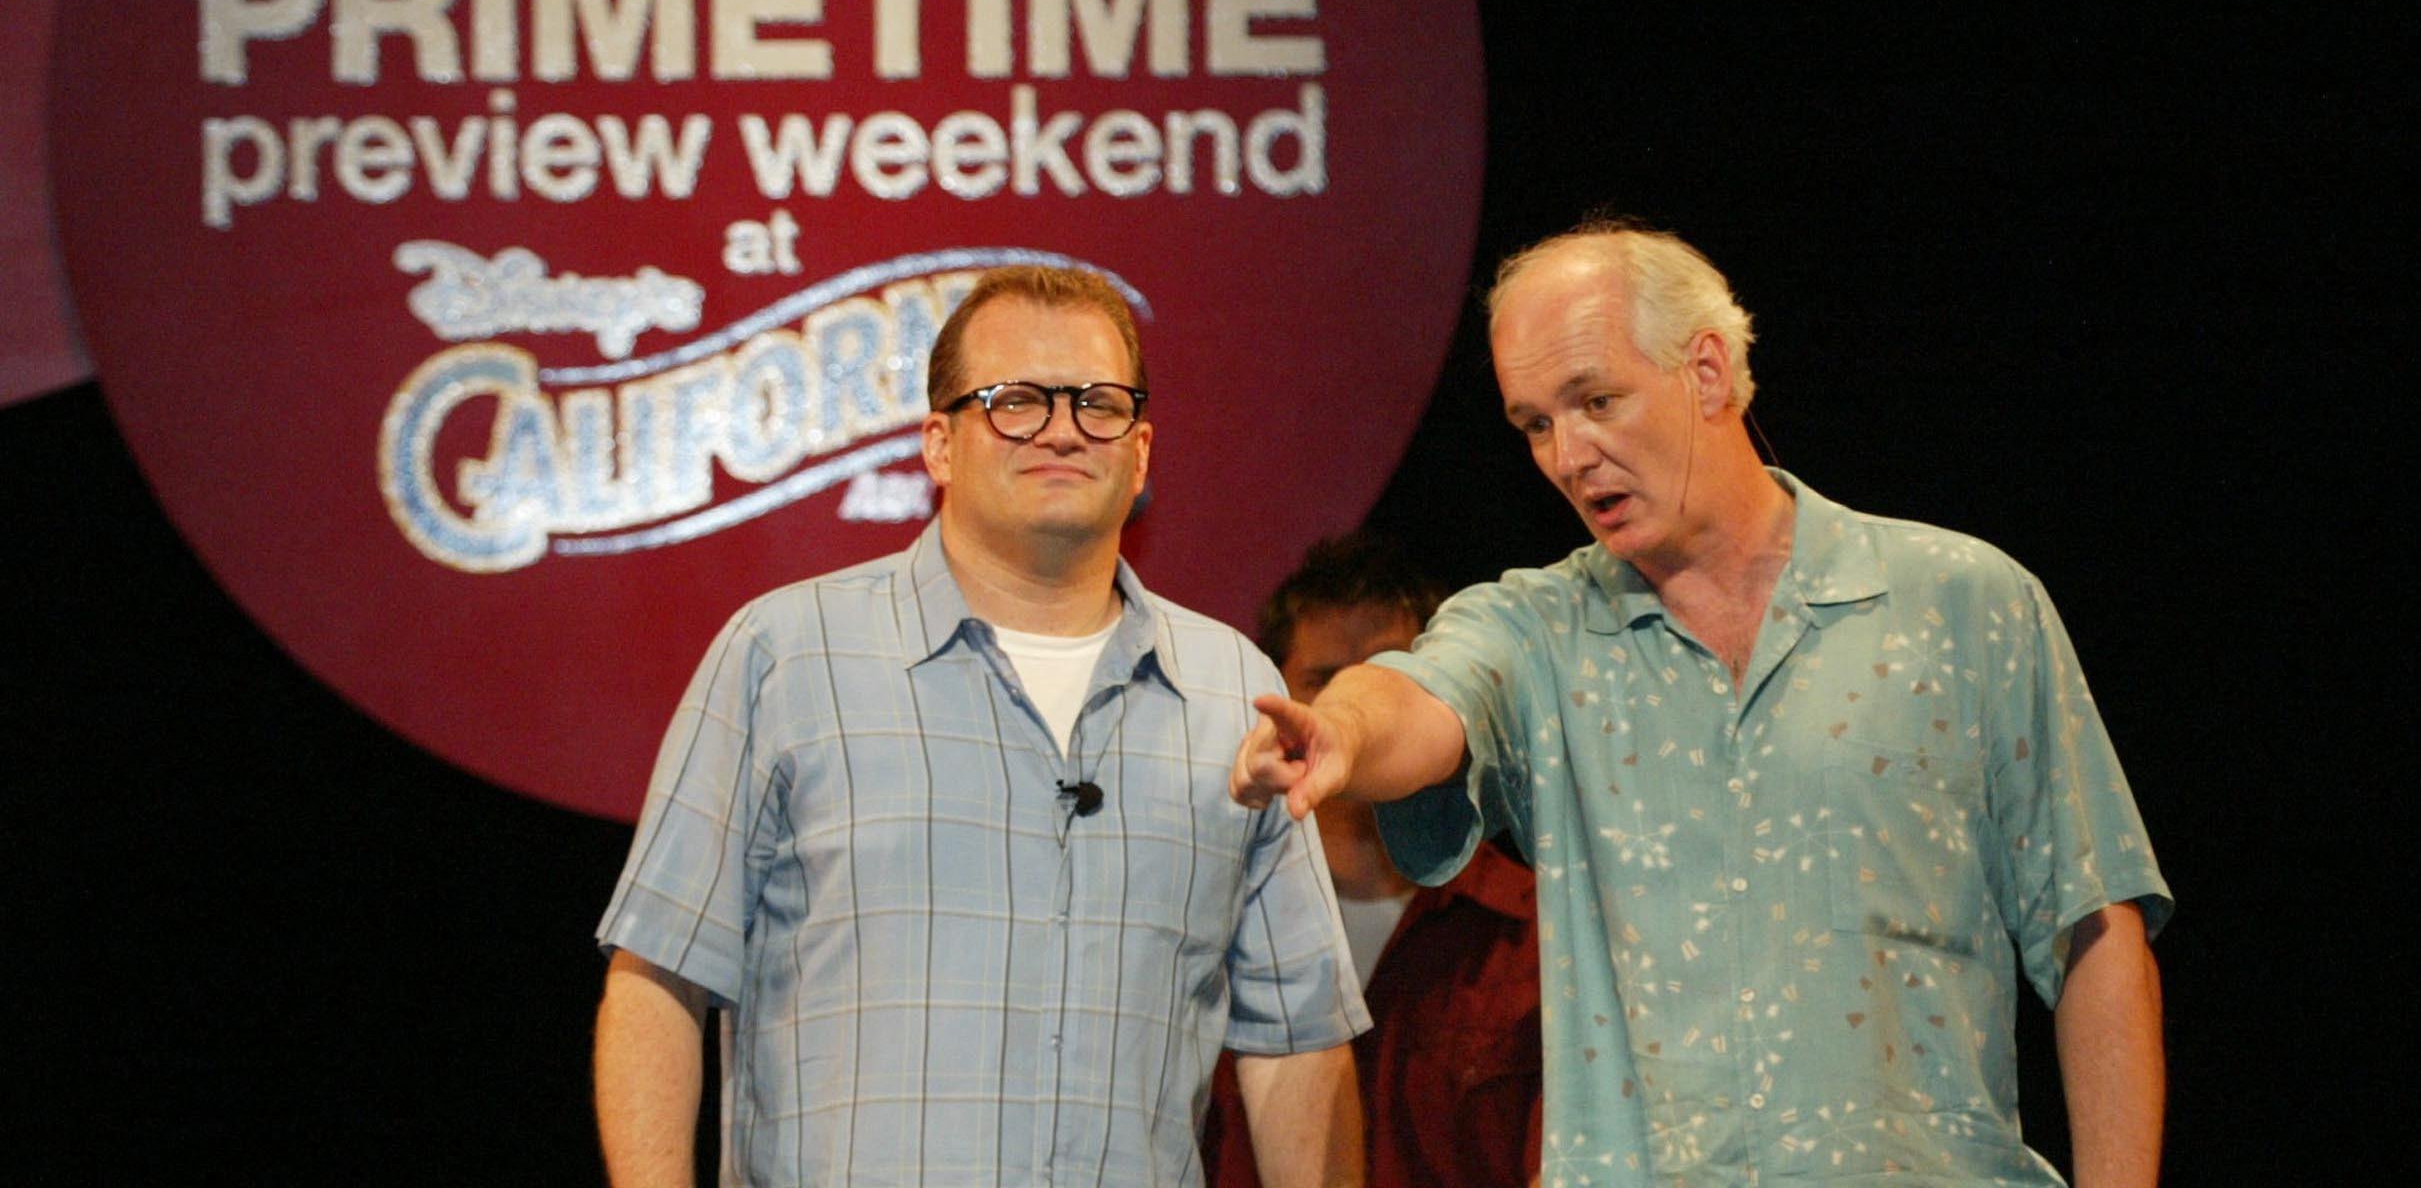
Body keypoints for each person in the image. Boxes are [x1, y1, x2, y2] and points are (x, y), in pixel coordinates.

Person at [1234, 222, 2171, 1187]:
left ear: (1709, 372)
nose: (1569, 455)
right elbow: (1420, 695)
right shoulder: (1541, 632)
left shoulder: (1961, 604)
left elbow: (2094, 928)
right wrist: (1342, 729)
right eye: (1536, 424)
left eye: (1597, 400)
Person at [597, 263, 1368, 1188]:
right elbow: (659, 982)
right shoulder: (787, 657)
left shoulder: (1233, 689)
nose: (1062, 429)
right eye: (1015, 402)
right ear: (939, 445)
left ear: (1140, 453)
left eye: (1098, 404)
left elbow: (1298, 1038)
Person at [1204, 534, 1544, 1188]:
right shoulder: (1219, 919)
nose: (1354, 711)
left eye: (1392, 677)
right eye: (1324, 682)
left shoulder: (1530, 928)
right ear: (1275, 699)